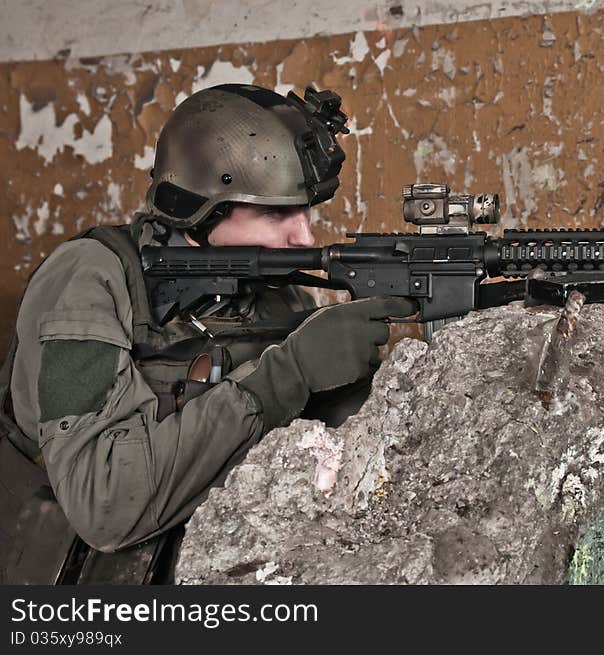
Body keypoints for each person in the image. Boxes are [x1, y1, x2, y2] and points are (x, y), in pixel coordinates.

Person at [0, 83, 413, 583]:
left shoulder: (276, 293)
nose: (302, 237)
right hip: (63, 574)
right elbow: (102, 506)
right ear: (202, 208)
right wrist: (289, 373)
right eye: (275, 213)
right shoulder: (91, 278)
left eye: (304, 210)